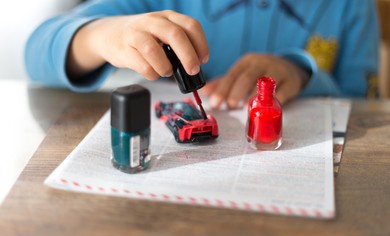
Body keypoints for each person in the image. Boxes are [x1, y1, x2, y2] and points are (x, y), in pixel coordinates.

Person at [25, 0, 379, 109]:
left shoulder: (351, 6)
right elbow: (35, 50)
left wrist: (302, 72)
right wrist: (99, 36)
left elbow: (367, 103)